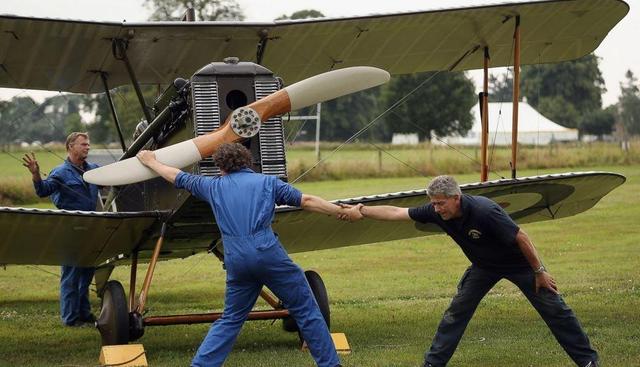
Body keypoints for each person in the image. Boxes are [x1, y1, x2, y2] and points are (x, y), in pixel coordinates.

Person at [340, 175, 599, 367]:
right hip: (484, 267)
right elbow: (397, 212)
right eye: (433, 204)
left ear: (456, 198)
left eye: (441, 203)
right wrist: (361, 210)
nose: (437, 209)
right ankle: (433, 364)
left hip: (520, 265)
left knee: (556, 311)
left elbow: (522, 237)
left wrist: (540, 272)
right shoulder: (435, 212)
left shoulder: (485, 211)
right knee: (456, 313)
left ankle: (588, 361)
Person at [136, 142, 342, 367]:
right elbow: (307, 201)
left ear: (220, 167)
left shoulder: (212, 186)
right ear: (248, 161)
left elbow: (177, 176)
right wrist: (341, 212)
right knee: (306, 309)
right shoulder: (268, 182)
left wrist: (151, 161)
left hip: (236, 260)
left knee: (231, 319)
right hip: (268, 254)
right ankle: (331, 364)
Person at [22, 132, 100, 327]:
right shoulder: (60, 172)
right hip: (70, 229)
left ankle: (84, 313)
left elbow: (113, 179)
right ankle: (70, 319)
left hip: (91, 228)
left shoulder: (94, 170)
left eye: (88, 144)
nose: (87, 147)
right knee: (71, 275)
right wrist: (35, 174)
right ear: (70, 147)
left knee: (86, 274)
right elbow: (42, 191)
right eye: (83, 144)